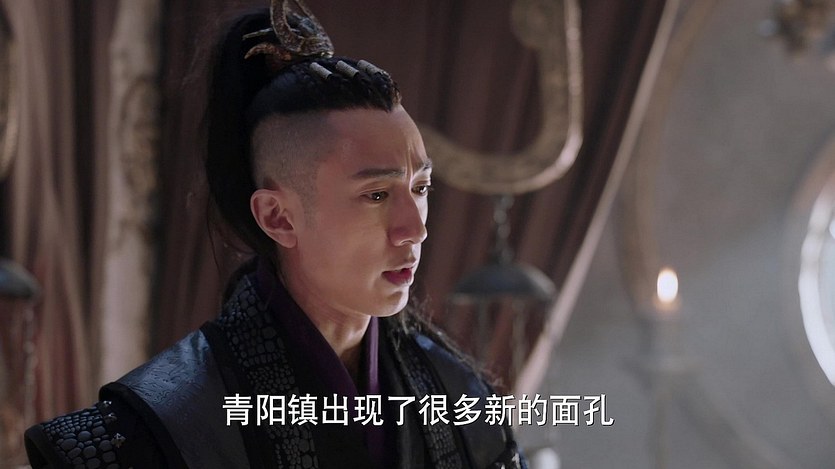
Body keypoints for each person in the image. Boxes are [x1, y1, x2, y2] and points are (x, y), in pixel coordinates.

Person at [24, 1, 526, 468]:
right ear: (279, 218)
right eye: (376, 194)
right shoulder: (158, 428)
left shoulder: (462, 399)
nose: (414, 228)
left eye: (420, 188)